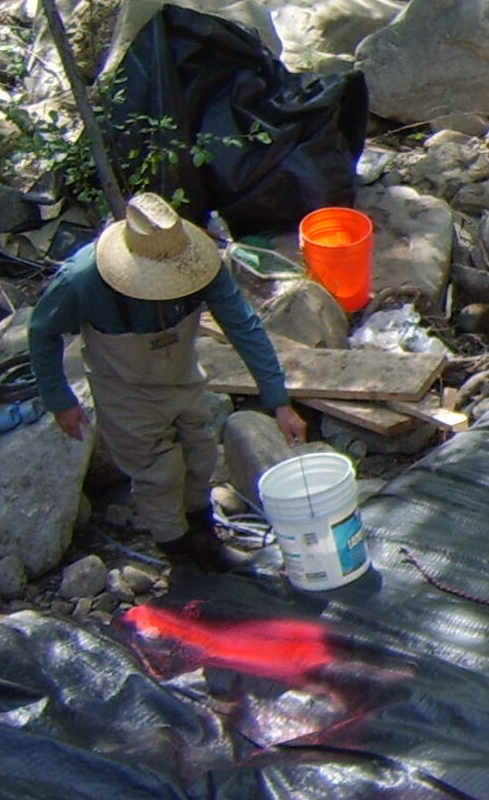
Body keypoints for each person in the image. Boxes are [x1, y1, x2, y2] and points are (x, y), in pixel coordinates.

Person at [30, 193, 308, 571]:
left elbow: (242, 324)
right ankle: (177, 553)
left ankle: (203, 535)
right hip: (124, 389)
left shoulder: (199, 264)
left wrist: (278, 400)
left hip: (182, 377)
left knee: (200, 453)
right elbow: (41, 332)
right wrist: (60, 400)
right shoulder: (82, 280)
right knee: (158, 474)